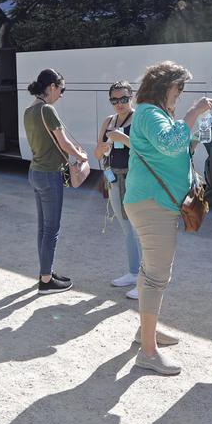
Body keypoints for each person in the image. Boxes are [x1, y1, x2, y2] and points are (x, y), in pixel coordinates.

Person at [125, 61, 212, 375]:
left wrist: (194, 127)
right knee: (156, 276)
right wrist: (193, 113)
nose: (181, 93)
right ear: (166, 86)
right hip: (153, 203)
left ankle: (145, 333)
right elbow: (168, 143)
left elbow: (176, 149)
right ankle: (148, 352)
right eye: (180, 87)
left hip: (154, 201)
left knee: (150, 271)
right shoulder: (150, 113)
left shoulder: (155, 114)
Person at [23, 69, 87, 295]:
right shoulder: (48, 110)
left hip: (35, 172)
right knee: (52, 229)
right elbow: (64, 143)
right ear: (51, 87)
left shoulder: (29, 111)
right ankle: (46, 281)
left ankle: (45, 272)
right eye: (61, 89)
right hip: (50, 175)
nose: (61, 94)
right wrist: (81, 157)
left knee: (43, 228)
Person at [92, 81, 141, 297]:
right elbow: (97, 154)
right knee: (126, 227)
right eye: (114, 100)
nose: (119, 104)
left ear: (132, 97)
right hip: (113, 178)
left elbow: (147, 150)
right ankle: (133, 271)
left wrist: (124, 139)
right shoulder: (108, 121)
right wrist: (103, 147)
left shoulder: (139, 118)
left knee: (141, 229)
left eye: (123, 99)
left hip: (136, 179)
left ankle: (145, 280)